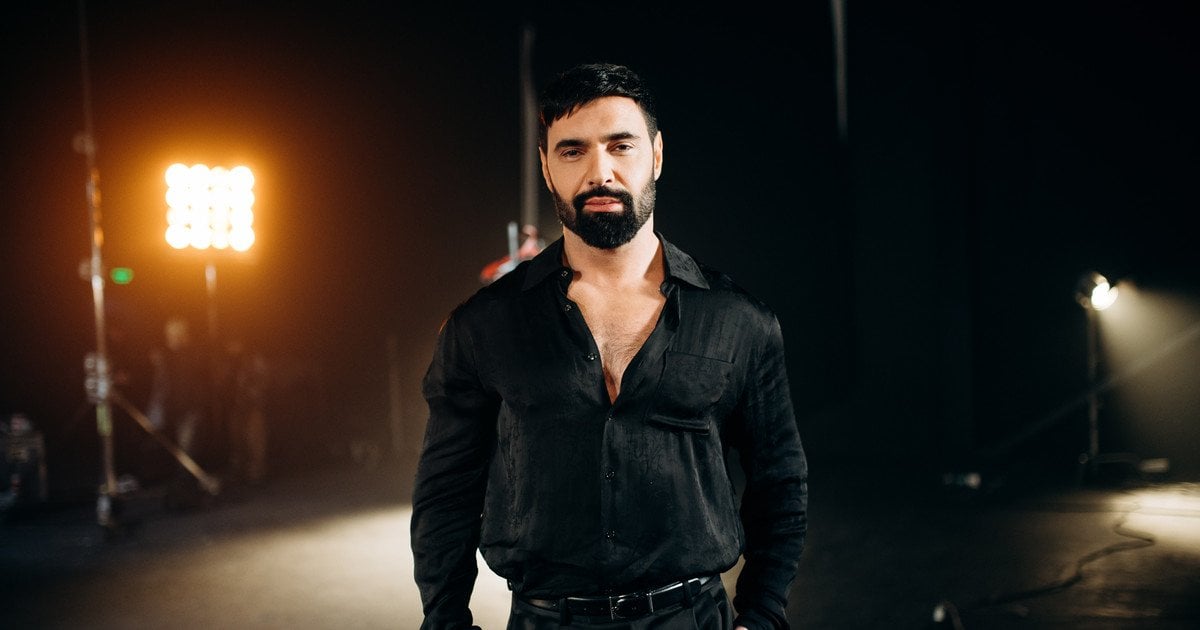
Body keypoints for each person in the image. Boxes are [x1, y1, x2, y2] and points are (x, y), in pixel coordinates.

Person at [411, 62, 808, 630]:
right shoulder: (483, 327)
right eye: (573, 151)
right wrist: (446, 622)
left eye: (621, 146)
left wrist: (762, 615)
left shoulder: (738, 320)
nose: (600, 172)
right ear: (546, 167)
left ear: (657, 155)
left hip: (692, 618)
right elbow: (446, 494)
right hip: (545, 620)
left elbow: (780, 483)